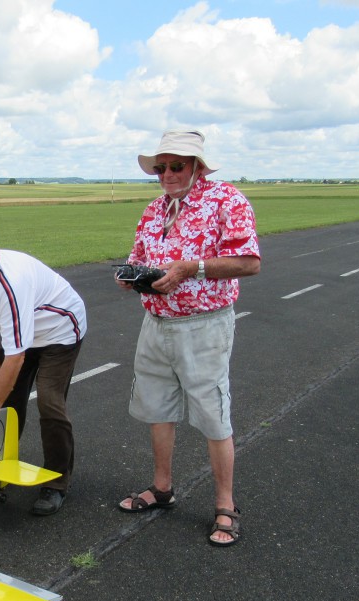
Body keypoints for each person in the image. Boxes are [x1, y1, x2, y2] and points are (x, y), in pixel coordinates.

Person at [116, 130, 260, 546]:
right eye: (160, 168)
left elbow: (249, 262)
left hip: (204, 325)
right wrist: (130, 275)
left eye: (176, 166)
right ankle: (162, 488)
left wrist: (188, 268)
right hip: (155, 322)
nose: (167, 174)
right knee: (157, 408)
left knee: (213, 415)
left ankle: (226, 506)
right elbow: (138, 257)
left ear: (198, 167)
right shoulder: (154, 209)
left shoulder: (226, 200)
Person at [0, 224, 87, 515]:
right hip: (21, 332)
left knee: (49, 401)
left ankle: (57, 482)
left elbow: (16, 358)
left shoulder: (11, 282)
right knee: (7, 401)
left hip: (59, 330)